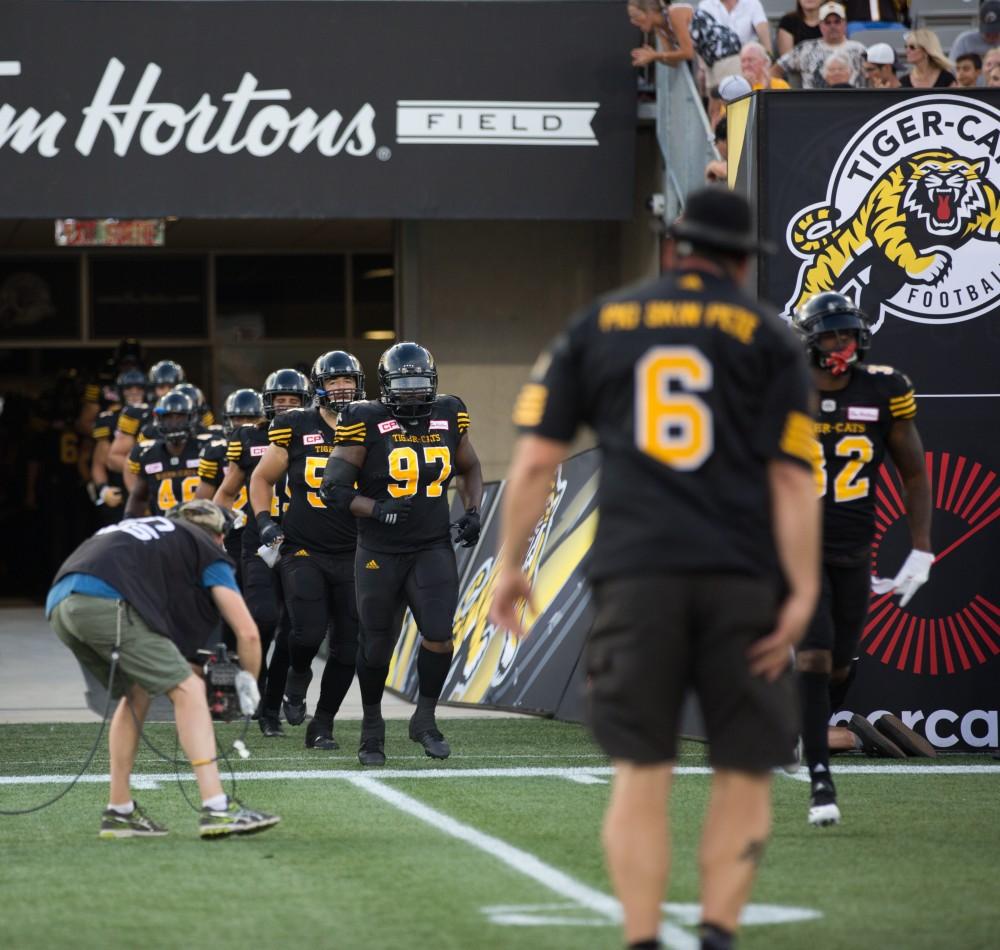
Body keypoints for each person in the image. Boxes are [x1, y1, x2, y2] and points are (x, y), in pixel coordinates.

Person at [490, 187, 821, 950]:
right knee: (743, 771)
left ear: (675, 247)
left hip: (636, 576)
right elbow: (792, 478)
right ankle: (716, 935)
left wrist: (511, 565)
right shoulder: (770, 338)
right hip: (741, 576)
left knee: (642, 771)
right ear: (742, 263)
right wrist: (802, 588)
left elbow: (537, 460)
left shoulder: (598, 323)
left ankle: (642, 939)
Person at [46, 500, 279, 838]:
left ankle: (120, 810)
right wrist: (250, 686)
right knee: (188, 688)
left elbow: (158, 643)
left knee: (136, 692)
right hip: (105, 599)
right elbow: (248, 633)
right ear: (218, 535)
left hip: (61, 601)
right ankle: (216, 807)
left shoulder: (156, 537)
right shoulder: (205, 547)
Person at [791, 292, 933, 827]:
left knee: (842, 661)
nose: (840, 344)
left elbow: (913, 472)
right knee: (814, 650)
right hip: (796, 543)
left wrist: (921, 548)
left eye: (847, 333)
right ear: (809, 340)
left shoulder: (885, 389)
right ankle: (820, 778)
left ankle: (803, 720)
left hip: (853, 547)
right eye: (830, 334)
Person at [320, 342, 484, 767]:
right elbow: (333, 489)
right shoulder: (364, 418)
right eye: (403, 384)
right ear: (386, 386)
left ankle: (424, 719)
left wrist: (473, 510)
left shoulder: (450, 413)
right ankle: (371, 727)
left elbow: (468, 467)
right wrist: (377, 509)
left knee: (439, 633)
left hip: (431, 545)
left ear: (432, 383)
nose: (412, 393)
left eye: (419, 383)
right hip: (380, 550)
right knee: (376, 645)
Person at [249, 352, 365, 751]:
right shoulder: (295, 424)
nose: (341, 387)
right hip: (302, 546)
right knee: (304, 631)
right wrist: (264, 520)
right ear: (318, 386)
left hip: (355, 549)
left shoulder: (373, 421)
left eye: (347, 379)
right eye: (333, 381)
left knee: (348, 645)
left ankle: (324, 725)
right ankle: (296, 680)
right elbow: (261, 477)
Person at [215, 369, 311, 737]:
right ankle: (255, 686)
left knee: (296, 631)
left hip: (303, 541)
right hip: (258, 540)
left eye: (293, 400)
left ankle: (271, 706)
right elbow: (225, 492)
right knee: (262, 618)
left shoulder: (322, 431)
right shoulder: (251, 437)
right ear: (267, 402)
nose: (285, 407)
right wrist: (220, 531)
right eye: (279, 400)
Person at [629, 0, 744, 124]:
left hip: (726, 53)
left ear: (650, 12)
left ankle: (732, 141)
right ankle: (716, 142)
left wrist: (655, 55)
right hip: (710, 61)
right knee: (713, 112)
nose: (633, 22)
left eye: (635, 16)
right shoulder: (660, 29)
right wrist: (654, 57)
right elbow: (674, 61)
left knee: (725, 109)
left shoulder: (674, 13)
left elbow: (687, 52)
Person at [124, 390, 213, 518]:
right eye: (168, 417)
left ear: (191, 417)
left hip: (201, 526)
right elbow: (139, 498)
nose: (174, 423)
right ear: (159, 419)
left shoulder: (207, 449)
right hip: (165, 528)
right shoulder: (147, 453)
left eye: (179, 417)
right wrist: (129, 521)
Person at [107, 359, 186, 474]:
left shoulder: (195, 412)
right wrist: (149, 474)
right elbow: (114, 458)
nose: (168, 392)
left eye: (172, 386)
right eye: (161, 387)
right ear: (152, 389)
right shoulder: (137, 414)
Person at [91, 369, 147, 525]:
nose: (134, 392)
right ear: (121, 392)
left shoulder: (156, 417)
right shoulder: (109, 419)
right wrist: (103, 489)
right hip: (121, 492)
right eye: (129, 388)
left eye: (139, 388)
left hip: (154, 489)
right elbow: (100, 462)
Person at [772, 2, 867, 88]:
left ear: (845, 24)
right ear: (820, 25)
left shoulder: (859, 50)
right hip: (814, 103)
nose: (832, 26)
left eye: (837, 22)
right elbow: (776, 70)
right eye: (827, 22)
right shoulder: (805, 48)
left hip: (853, 101)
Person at [949, 0, 1000, 65]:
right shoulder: (964, 42)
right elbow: (952, 68)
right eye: (987, 33)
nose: (992, 36)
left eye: (996, 33)